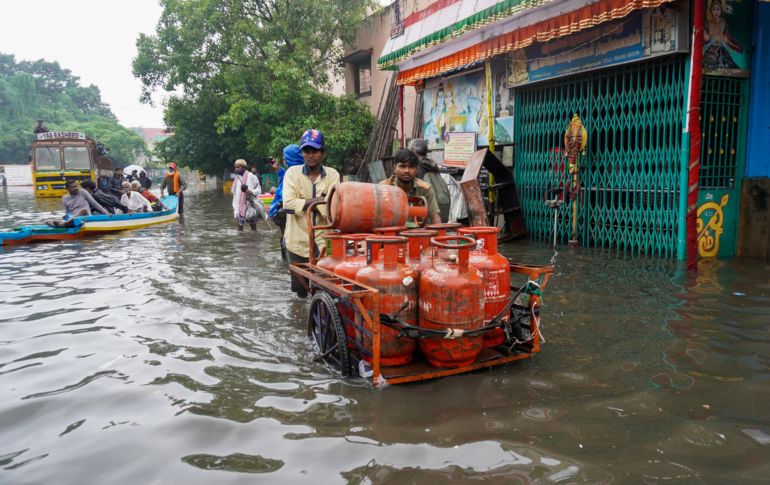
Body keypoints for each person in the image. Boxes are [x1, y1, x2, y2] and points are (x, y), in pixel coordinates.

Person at [283, 129, 340, 297]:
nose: (310, 155)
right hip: (297, 241)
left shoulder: (333, 174)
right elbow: (288, 204)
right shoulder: (292, 173)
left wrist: (305, 202)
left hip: (325, 241)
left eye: (315, 150)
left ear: (323, 153)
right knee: (300, 291)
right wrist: (318, 200)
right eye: (306, 151)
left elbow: (331, 208)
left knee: (327, 287)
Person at [380, 148, 442, 224]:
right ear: (394, 169)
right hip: (390, 233)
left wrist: (440, 232)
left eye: (411, 167)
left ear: (417, 170)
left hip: (417, 233)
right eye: (402, 166)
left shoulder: (425, 188)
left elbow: (434, 216)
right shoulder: (382, 188)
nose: (407, 171)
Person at [269, 144, 305, 260]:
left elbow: (288, 193)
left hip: (289, 212)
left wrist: (276, 191)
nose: (283, 160)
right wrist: (278, 170)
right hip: (286, 212)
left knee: (287, 239)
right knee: (285, 237)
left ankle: (287, 263)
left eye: (285, 157)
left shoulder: (298, 172)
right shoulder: (291, 171)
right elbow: (283, 180)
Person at [409, 138, 451, 222]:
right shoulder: (432, 164)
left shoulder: (419, 167)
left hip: (430, 206)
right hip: (444, 203)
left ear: (414, 151)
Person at [232, 159, 262, 231]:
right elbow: (235, 195)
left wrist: (250, 191)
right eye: (235, 167)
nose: (236, 169)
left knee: (253, 226)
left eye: (238, 167)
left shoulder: (251, 176)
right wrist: (235, 207)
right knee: (239, 227)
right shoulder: (236, 178)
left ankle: (254, 240)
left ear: (244, 168)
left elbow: (259, 190)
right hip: (239, 207)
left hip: (250, 205)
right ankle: (240, 241)